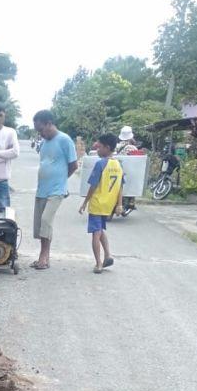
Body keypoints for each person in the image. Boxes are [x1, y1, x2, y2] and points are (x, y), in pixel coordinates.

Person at [31, 109, 78, 269]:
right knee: (40, 225)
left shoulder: (65, 140)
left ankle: (44, 257)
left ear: (49, 124)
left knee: (46, 220)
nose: (41, 134)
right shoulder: (44, 143)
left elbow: (73, 165)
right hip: (42, 189)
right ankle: (43, 257)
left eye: (41, 130)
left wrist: (61, 181)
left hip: (57, 190)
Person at [78, 132, 123, 273]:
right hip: (108, 205)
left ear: (107, 148)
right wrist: (119, 204)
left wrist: (85, 202)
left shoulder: (100, 164)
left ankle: (98, 263)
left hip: (97, 203)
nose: (97, 150)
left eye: (100, 147)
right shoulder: (118, 164)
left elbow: (93, 186)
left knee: (95, 234)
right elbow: (121, 186)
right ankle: (108, 255)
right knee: (100, 230)